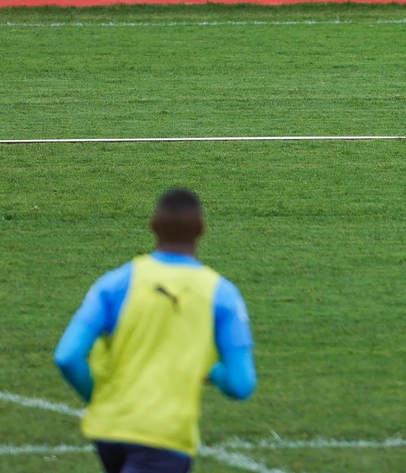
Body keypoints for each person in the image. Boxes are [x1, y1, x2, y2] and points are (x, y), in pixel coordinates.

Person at [55, 188, 256, 473]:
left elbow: (67, 357)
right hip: (163, 435)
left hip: (108, 430)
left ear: (153, 226)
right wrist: (210, 370)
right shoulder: (222, 295)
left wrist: (99, 400)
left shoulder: (115, 283)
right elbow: (241, 384)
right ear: (202, 229)